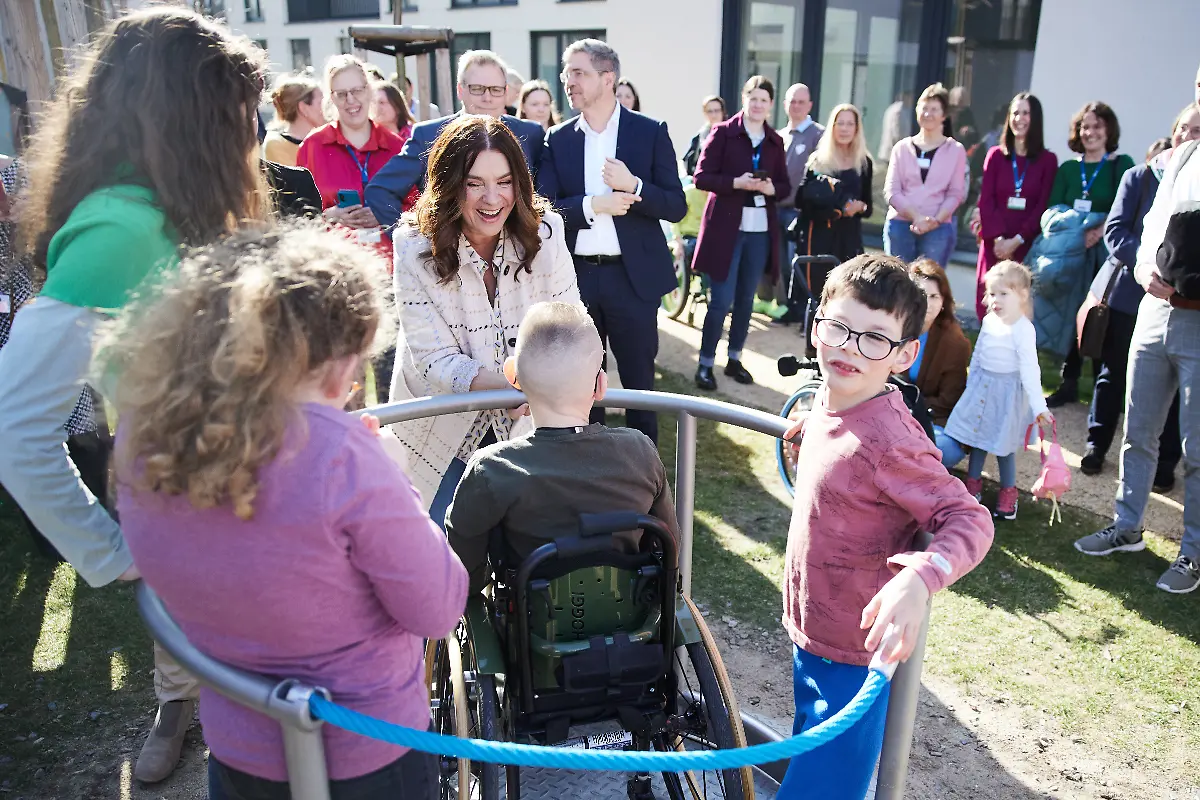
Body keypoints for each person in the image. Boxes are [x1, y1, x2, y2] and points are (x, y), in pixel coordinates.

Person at [0, 7, 268, 783]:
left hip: (239, 493)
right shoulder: (120, 225)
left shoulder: (174, 204)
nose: (251, 138)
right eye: (238, 116)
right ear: (188, 117)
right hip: (185, 503)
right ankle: (179, 706)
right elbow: (15, 428)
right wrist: (111, 554)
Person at [108, 224, 466, 800]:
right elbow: (438, 608)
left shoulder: (145, 437)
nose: (353, 385)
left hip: (239, 748)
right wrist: (387, 477)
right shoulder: (339, 455)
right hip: (367, 754)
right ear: (329, 356)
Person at [778, 253, 993, 799]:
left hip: (855, 649)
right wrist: (811, 424)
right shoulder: (836, 399)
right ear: (817, 324)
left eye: (875, 339)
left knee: (822, 790)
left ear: (905, 356)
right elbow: (842, 436)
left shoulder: (893, 439)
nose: (850, 347)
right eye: (838, 327)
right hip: (813, 632)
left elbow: (969, 518)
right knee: (811, 760)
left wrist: (921, 578)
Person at [390, 115, 582, 523]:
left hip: (528, 425)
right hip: (439, 427)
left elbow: (570, 325)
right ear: (448, 185)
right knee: (444, 553)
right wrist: (521, 388)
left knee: (525, 550)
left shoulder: (546, 232)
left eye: (505, 181)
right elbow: (435, 359)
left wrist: (549, 389)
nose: (492, 198)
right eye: (474, 183)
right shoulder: (413, 246)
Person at [445, 301, 678, 592]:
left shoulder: (491, 469)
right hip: (631, 623)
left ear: (513, 377)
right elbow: (668, 543)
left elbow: (462, 570)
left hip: (528, 629)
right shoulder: (641, 452)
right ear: (600, 385)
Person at [1073, 63, 1200, 594]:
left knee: (1196, 448)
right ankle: (1128, 527)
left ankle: (1192, 553)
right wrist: (1149, 276)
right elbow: (1147, 231)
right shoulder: (1176, 162)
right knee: (1138, 432)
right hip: (1152, 309)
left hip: (1196, 319)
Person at [536, 39, 686, 443]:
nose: (568, 82)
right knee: (581, 386)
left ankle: (645, 474)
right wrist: (594, 205)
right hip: (576, 279)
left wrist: (634, 186)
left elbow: (676, 205)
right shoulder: (558, 138)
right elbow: (544, 209)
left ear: (608, 77)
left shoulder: (649, 132)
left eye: (578, 73)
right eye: (567, 73)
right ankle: (590, 469)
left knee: (640, 385)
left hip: (633, 281)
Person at [1077, 104, 1200, 479]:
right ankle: (1097, 445)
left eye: (1197, 132)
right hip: (1132, 296)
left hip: (1180, 304)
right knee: (1112, 375)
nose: (1188, 137)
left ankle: (1164, 465)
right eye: (1184, 129)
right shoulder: (1140, 176)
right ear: (1173, 129)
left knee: (1175, 392)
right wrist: (1147, 268)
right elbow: (1116, 231)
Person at [367, 51, 545, 229]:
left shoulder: (530, 134)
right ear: (460, 90)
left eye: (495, 90)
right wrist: (415, 238)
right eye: (477, 89)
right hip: (449, 251)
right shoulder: (428, 135)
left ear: (506, 92)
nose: (487, 97)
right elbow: (381, 191)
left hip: (517, 251)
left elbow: (543, 196)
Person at [690, 76, 789, 391]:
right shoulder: (723, 133)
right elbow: (701, 177)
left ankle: (734, 359)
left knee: (746, 298)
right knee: (720, 300)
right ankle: (705, 365)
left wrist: (771, 187)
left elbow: (785, 185)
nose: (758, 104)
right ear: (744, 99)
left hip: (760, 231)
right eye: (753, 98)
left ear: (771, 105)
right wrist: (737, 183)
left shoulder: (774, 141)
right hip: (726, 230)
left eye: (764, 99)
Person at [1042, 101, 1135, 408]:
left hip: (1108, 256)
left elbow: (1125, 207)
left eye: (1097, 126)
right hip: (1073, 253)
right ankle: (1069, 382)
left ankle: (1101, 388)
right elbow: (1055, 208)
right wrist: (1079, 230)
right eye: (1085, 126)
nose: (1090, 132)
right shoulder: (1068, 169)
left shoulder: (1120, 165)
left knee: (1102, 316)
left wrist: (1098, 229)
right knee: (1073, 315)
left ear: (1109, 130)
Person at [944, 261, 1053, 520]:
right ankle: (972, 485)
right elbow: (980, 352)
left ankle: (1008, 491)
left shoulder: (1024, 329)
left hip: (1007, 394)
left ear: (1022, 296)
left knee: (1003, 446)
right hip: (984, 387)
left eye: (1004, 293)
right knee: (978, 437)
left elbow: (1030, 369)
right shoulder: (990, 321)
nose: (996, 299)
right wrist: (971, 385)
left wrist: (1039, 406)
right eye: (992, 293)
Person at [295, 55, 403, 237]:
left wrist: (388, 215)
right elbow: (296, 215)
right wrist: (327, 216)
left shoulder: (396, 147)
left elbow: (420, 211)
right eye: (341, 94)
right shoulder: (312, 146)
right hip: (335, 258)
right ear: (332, 99)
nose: (351, 100)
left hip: (391, 260)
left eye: (357, 91)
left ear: (369, 91)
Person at [971, 93, 1057, 320]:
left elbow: (1043, 206)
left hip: (1024, 244)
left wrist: (1016, 240)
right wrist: (1000, 240)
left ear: (1035, 118)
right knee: (989, 301)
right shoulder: (995, 156)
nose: (1020, 118)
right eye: (1015, 113)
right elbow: (986, 200)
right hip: (994, 244)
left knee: (1016, 304)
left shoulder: (1048, 160)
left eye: (1025, 113)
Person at [883, 83, 967, 269]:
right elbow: (891, 191)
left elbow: (955, 193)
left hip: (938, 229)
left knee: (928, 286)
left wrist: (934, 220)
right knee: (898, 284)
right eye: (924, 108)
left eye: (934, 109)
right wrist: (916, 216)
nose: (928, 114)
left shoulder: (955, 151)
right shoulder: (901, 148)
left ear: (944, 115)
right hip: (900, 226)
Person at [793, 104, 873, 298]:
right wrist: (838, 211)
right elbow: (801, 202)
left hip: (849, 238)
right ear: (832, 127)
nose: (844, 129)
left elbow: (868, 206)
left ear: (857, 129)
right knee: (819, 293)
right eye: (840, 123)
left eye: (849, 124)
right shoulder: (818, 161)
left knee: (849, 291)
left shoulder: (864, 163)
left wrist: (860, 207)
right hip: (820, 237)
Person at [908, 258, 971, 466]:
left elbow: (948, 401)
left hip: (936, 420)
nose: (927, 303)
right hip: (894, 413)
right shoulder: (894, 328)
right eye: (921, 295)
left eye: (934, 296)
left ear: (944, 301)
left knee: (942, 449)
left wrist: (911, 412)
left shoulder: (955, 343)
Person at [773, 83, 825, 326]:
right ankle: (790, 309)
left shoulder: (819, 135)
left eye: (801, 102)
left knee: (800, 262)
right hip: (775, 209)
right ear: (785, 104)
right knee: (783, 262)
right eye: (792, 101)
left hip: (800, 212)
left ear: (810, 105)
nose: (796, 106)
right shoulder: (779, 136)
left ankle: (806, 313)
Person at [262, 73, 325, 167]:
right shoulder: (275, 144)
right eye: (321, 102)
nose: (327, 108)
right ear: (304, 108)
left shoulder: (326, 140)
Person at [682, 95, 726, 176]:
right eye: (710, 111)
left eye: (716, 111)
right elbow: (689, 161)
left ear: (723, 112)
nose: (714, 115)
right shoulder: (700, 137)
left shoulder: (732, 133)